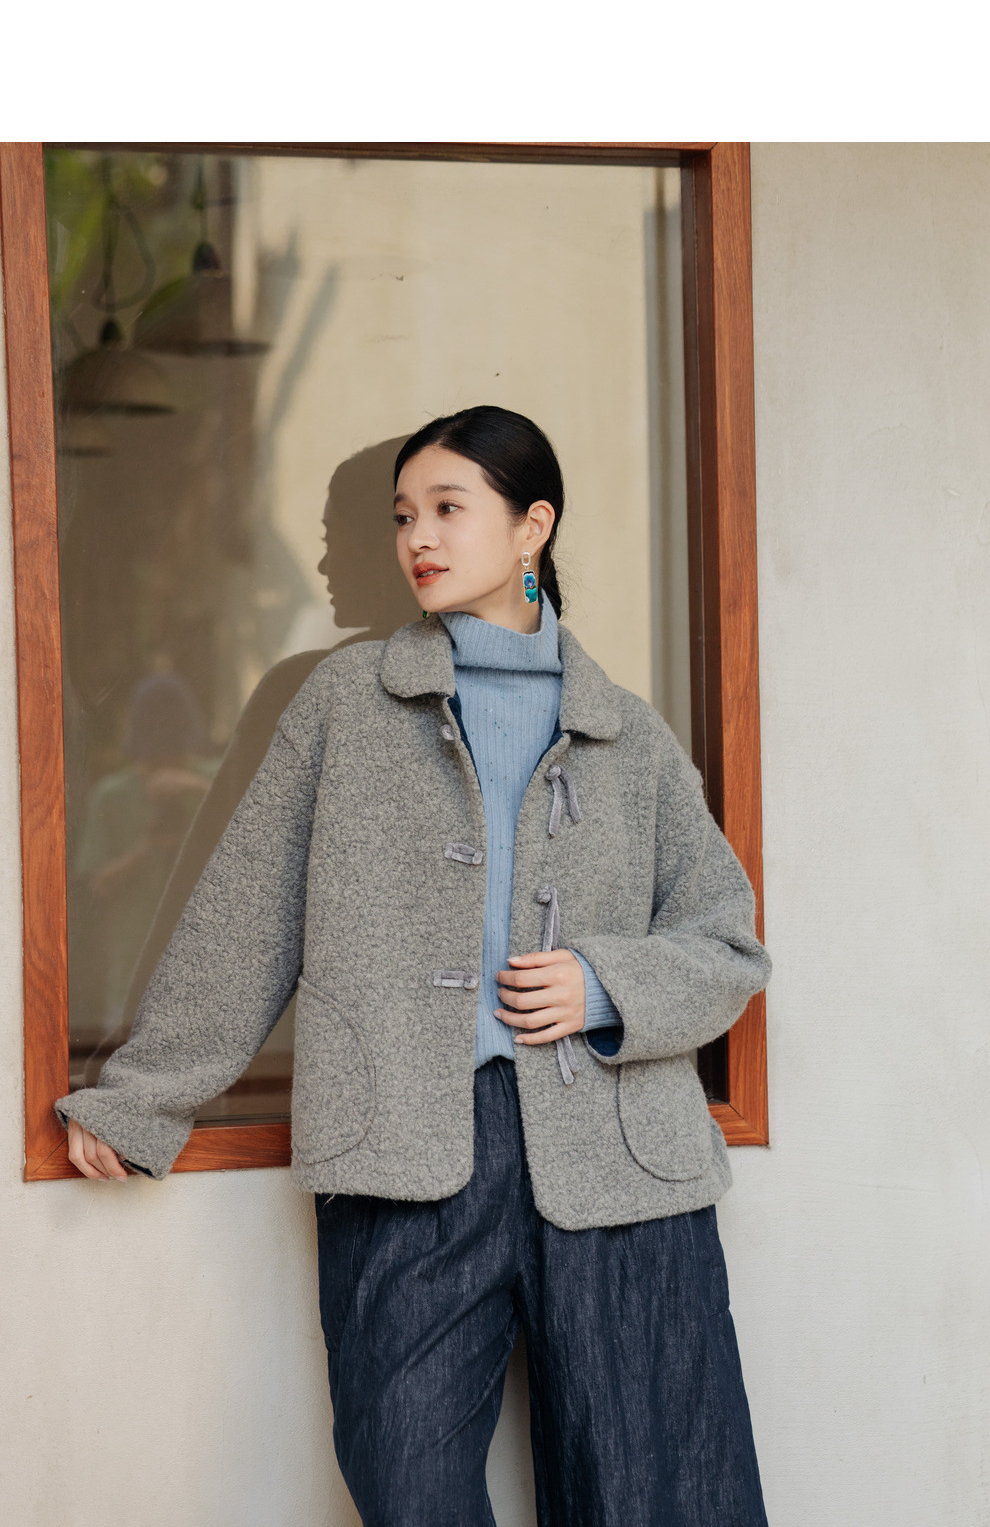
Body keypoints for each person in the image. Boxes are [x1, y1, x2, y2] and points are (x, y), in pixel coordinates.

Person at [56, 405, 772, 1527]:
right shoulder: (344, 705)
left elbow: (728, 940)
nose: (417, 539)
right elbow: (248, 914)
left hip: (621, 1157)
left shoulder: (626, 733)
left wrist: (604, 985)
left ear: (533, 526)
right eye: (402, 516)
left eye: (448, 508)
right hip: (403, 1150)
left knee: (658, 1493)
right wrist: (144, 1096)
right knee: (407, 1481)